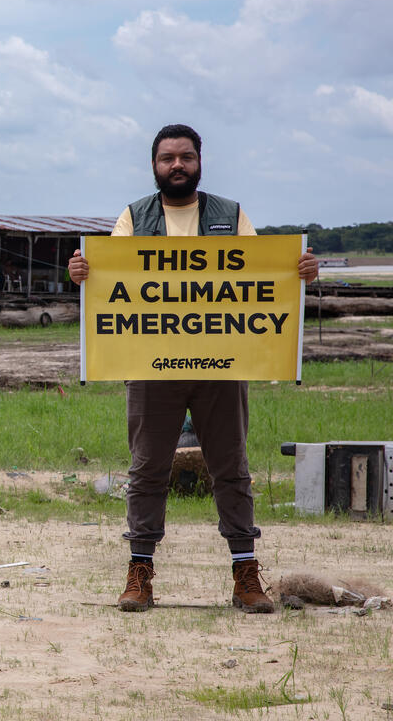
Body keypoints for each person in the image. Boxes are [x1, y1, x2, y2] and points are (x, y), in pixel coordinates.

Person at [67, 124, 319, 614]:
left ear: (199, 161)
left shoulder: (231, 214)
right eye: (167, 158)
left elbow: (261, 271)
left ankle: (246, 574)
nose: (176, 165)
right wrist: (82, 272)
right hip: (150, 363)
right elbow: (109, 274)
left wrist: (301, 271)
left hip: (222, 365)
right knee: (146, 470)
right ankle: (140, 572)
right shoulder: (133, 217)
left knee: (232, 468)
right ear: (154, 164)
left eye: (185, 157)